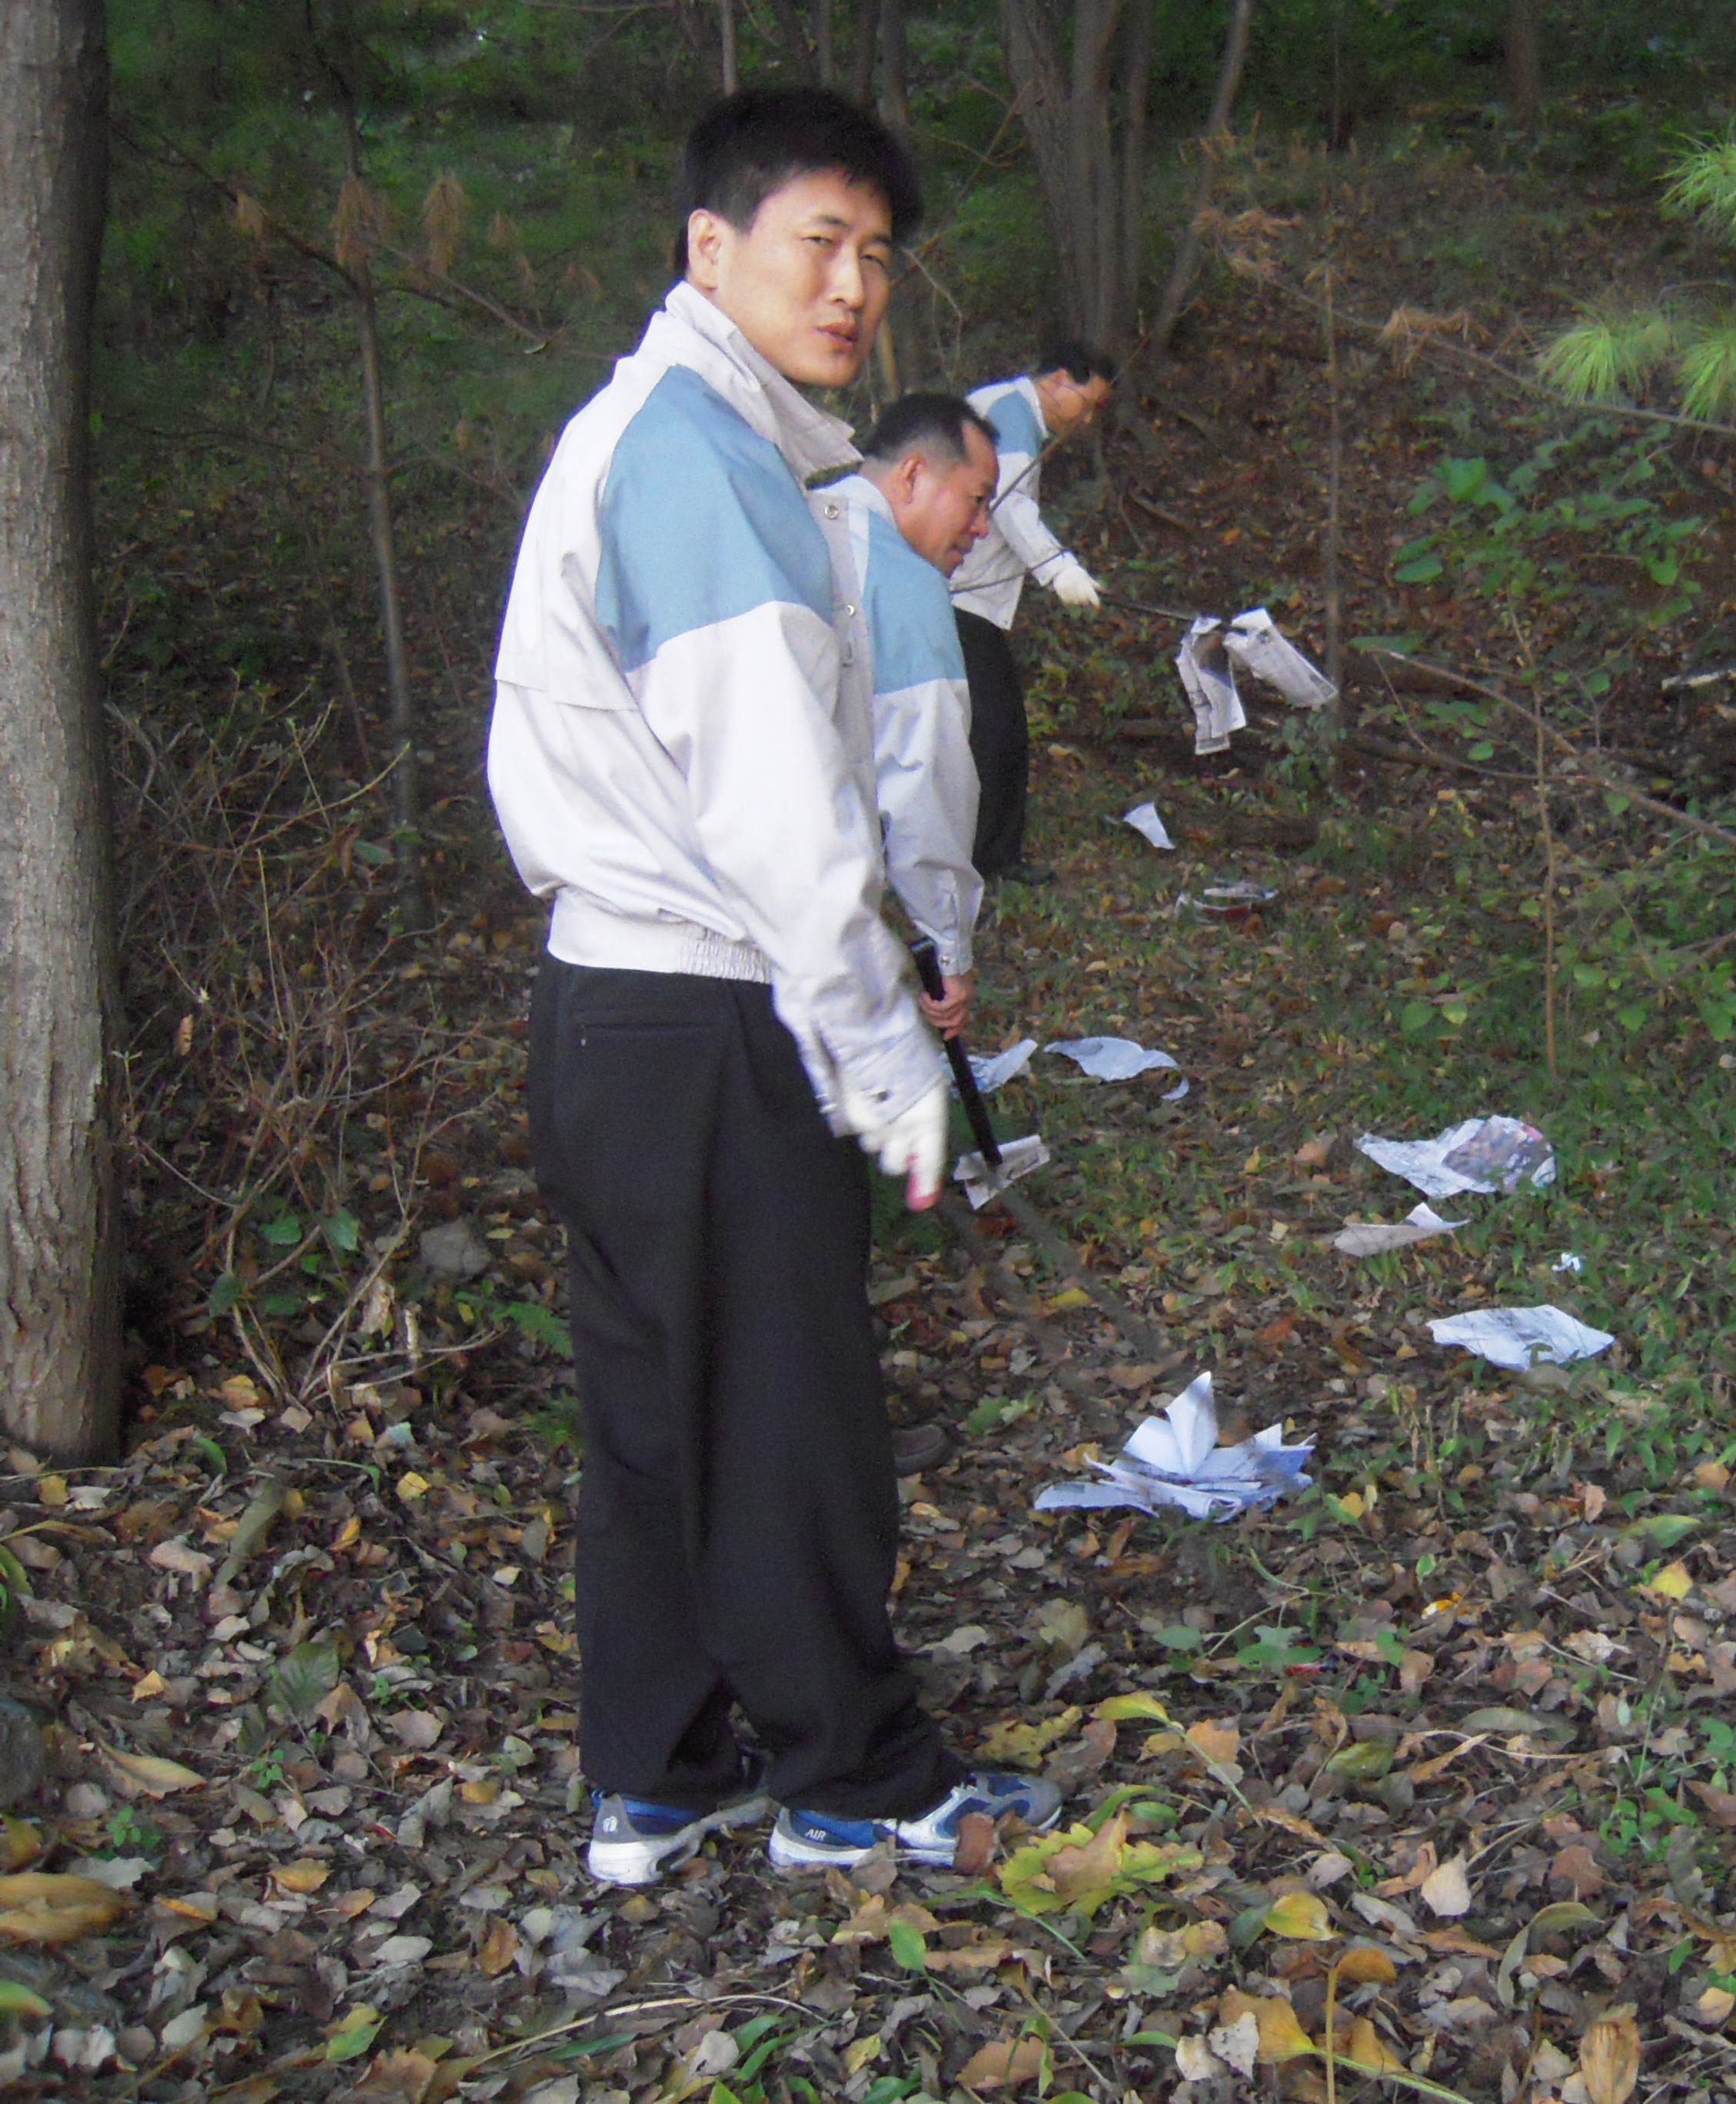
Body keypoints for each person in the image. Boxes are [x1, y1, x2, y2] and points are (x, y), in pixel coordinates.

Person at [488, 85, 1059, 1889]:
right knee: (791, 1405)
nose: (854, 285)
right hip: (708, 1003)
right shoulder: (695, 448)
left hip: (607, 1010)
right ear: (711, 246)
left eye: (877, 254)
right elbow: (776, 802)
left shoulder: (682, 431)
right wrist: (882, 1050)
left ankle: (659, 1768)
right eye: (820, 241)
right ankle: (852, 1779)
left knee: (657, 1409)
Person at [827, 390, 999, 1476]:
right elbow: (924, 798)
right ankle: (834, 1435)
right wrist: (950, 953)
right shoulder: (905, 590)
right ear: (913, 480)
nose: (980, 530)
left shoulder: (790, 519)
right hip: (800, 931)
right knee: (814, 1198)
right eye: (974, 502)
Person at [949, 343, 1118, 884]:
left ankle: (981, 852)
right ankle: (991, 859)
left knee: (986, 726)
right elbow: (1012, 504)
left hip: (967, 594)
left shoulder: (1005, 409)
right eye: (1087, 404)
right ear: (1059, 380)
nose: (1087, 420)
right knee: (999, 730)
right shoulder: (1012, 415)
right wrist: (1059, 570)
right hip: (958, 596)